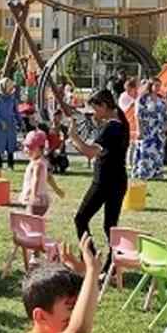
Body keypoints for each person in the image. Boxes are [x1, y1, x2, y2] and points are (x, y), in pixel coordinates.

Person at [67, 89, 130, 259]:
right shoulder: (120, 122)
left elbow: (90, 152)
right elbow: (103, 150)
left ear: (104, 105)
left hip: (105, 182)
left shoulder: (112, 127)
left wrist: (73, 137)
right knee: (110, 226)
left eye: (96, 108)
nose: (94, 113)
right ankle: (113, 264)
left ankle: (91, 258)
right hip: (118, 180)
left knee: (81, 219)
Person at [19, 130, 64, 217]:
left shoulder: (38, 164)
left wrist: (34, 196)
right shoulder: (43, 161)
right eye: (26, 147)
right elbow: (49, 177)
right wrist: (57, 189)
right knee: (35, 220)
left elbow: (36, 178)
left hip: (36, 200)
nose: (27, 150)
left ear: (41, 149)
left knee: (32, 220)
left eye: (31, 147)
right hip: (42, 200)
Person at [134, 78, 167, 180]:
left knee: (158, 152)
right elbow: (138, 115)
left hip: (159, 131)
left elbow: (166, 115)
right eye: (156, 85)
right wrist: (139, 130)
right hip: (146, 129)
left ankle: (156, 173)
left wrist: (166, 128)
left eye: (159, 85)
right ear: (150, 86)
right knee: (145, 151)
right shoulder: (142, 99)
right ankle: (143, 173)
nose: (158, 88)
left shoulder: (161, 100)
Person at [0, 78, 22, 170]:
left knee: (10, 145)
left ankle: (10, 165)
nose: (10, 88)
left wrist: (20, 121)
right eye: (8, 86)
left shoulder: (12, 98)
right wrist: (1, 121)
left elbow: (16, 111)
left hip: (10, 124)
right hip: (0, 126)